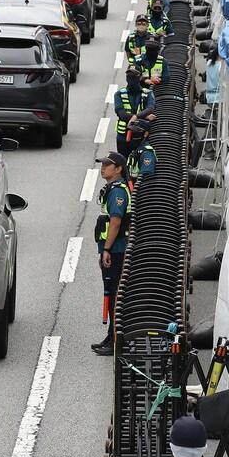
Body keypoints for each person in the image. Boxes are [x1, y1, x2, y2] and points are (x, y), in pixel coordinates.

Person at [93, 152, 132, 355]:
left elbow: (115, 223)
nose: (103, 168)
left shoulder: (118, 192)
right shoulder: (112, 188)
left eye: (107, 165)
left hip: (115, 251)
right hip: (110, 249)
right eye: (102, 164)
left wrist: (106, 249)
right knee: (110, 292)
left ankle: (116, 342)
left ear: (118, 169)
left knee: (115, 294)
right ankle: (111, 336)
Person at [114, 68, 156, 154]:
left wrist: (135, 117)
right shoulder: (119, 94)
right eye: (129, 78)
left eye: (133, 78)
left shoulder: (148, 93)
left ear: (139, 79)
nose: (131, 81)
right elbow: (122, 115)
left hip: (142, 135)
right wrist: (143, 116)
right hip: (123, 135)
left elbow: (150, 108)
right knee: (123, 162)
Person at [124, 120, 157, 186]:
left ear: (146, 134)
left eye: (136, 132)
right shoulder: (136, 150)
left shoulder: (147, 153)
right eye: (132, 131)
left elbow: (146, 179)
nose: (133, 134)